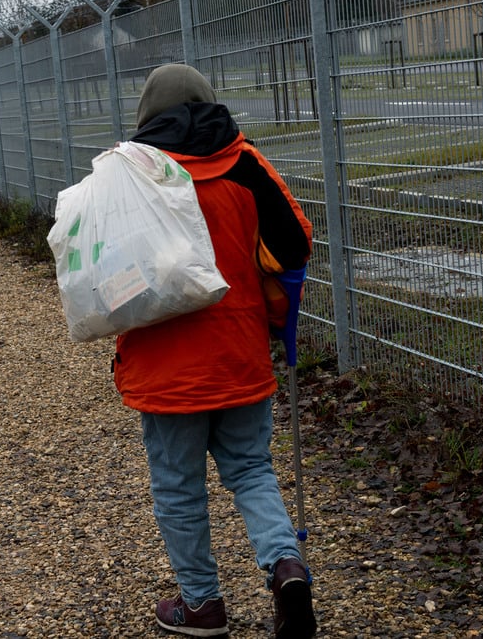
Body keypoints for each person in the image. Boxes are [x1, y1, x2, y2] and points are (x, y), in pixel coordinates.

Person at [114, 64, 317, 638]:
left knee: (179, 487)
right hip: (239, 351)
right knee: (251, 468)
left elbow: (105, 266)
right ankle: (286, 566)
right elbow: (297, 243)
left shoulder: (131, 175)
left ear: (147, 115)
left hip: (165, 361)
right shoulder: (245, 161)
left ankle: (202, 606)